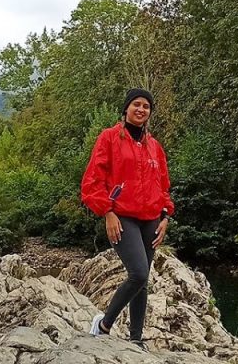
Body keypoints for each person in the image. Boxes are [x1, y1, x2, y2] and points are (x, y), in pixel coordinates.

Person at [80, 88, 174, 351]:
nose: (141, 109)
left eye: (146, 106)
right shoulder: (109, 138)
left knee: (142, 281)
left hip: (152, 219)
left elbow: (163, 185)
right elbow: (92, 182)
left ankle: (135, 338)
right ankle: (104, 325)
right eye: (136, 104)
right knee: (138, 272)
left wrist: (165, 215)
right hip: (123, 216)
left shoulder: (154, 146)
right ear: (126, 108)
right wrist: (107, 212)